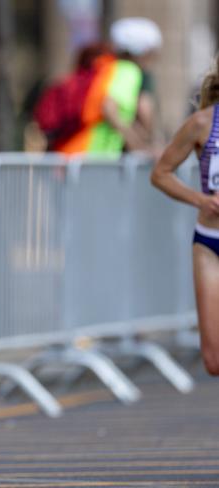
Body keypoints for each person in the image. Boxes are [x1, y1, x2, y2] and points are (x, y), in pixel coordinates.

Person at [151, 56, 219, 377]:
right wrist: (200, 200)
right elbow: (161, 173)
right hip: (209, 244)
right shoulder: (202, 124)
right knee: (213, 360)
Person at [57, 17, 163, 157]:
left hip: (76, 154)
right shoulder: (128, 71)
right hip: (94, 156)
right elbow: (109, 108)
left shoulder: (107, 68)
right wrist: (140, 147)